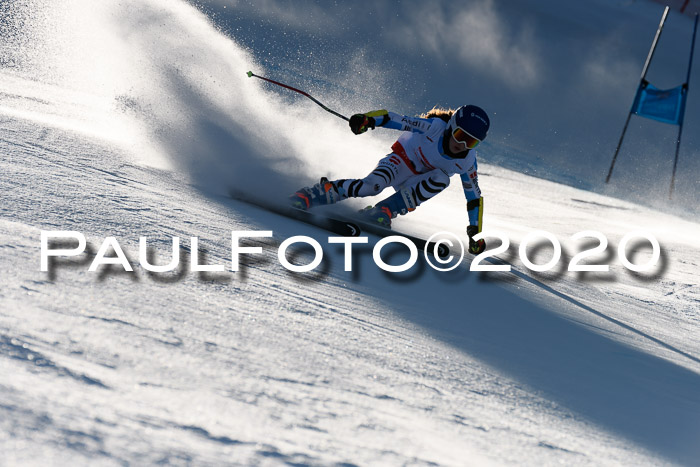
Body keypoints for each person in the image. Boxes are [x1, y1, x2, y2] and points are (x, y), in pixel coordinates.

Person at [290, 105, 488, 254]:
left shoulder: (467, 162)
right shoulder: (434, 127)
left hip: (416, 181)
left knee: (442, 179)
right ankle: (312, 195)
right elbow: (395, 118)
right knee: (371, 187)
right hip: (400, 161)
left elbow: (474, 197)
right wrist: (368, 119)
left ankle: (383, 211)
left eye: (470, 142)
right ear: (451, 126)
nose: (462, 144)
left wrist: (475, 233)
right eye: (460, 135)